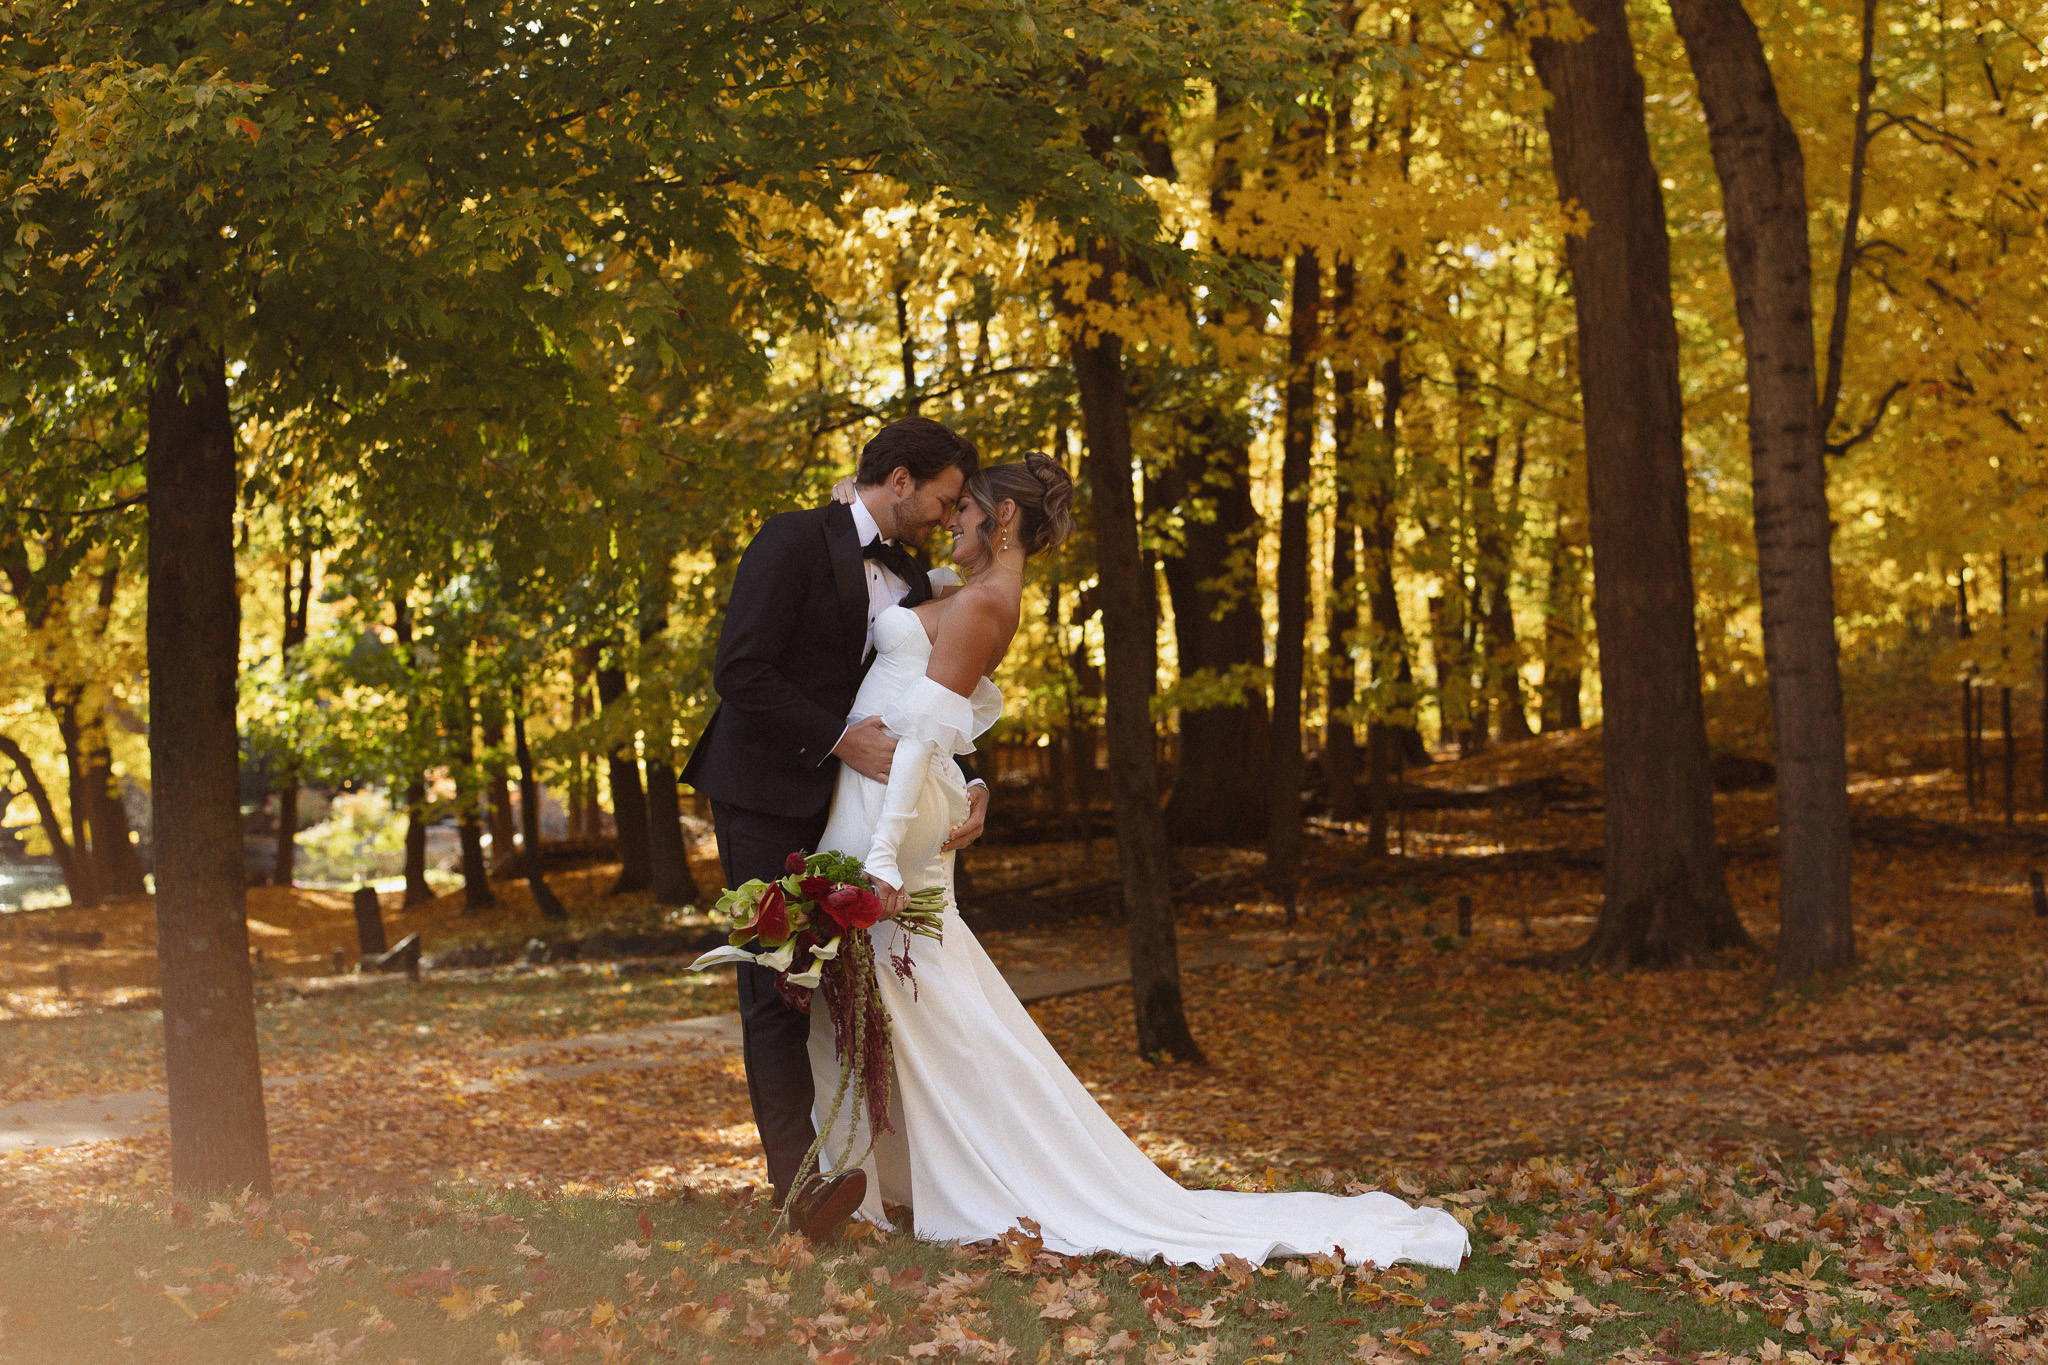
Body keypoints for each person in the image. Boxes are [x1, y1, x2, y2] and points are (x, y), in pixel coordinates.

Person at [806, 453, 1471, 1270]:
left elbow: (921, 735)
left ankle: (964, 1170)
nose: (953, 519)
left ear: (1003, 518)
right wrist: (972, 782)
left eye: (967, 508)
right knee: (905, 989)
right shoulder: (973, 588)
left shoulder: (985, 601)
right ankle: (887, 1173)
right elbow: (951, 708)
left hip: (891, 806)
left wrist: (880, 854)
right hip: (893, 794)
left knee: (914, 987)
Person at [681, 414, 989, 1242]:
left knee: (837, 990)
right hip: (760, 791)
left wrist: (970, 785)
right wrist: (836, 736)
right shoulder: (789, 540)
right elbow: (739, 668)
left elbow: (931, 699)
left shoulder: (912, 582)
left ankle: (875, 1165)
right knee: (771, 989)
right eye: (942, 496)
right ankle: (798, 1190)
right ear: (896, 479)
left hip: (844, 806)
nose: (944, 514)